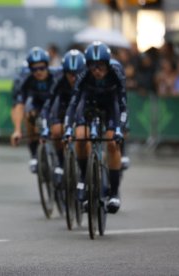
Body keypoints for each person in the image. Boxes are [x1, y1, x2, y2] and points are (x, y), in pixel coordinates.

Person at [63, 41, 127, 214]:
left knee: (113, 144)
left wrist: (120, 128)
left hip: (110, 106)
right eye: (93, 66)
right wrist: (68, 128)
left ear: (107, 64)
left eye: (101, 66)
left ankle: (113, 193)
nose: (97, 71)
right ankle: (84, 177)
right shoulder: (83, 75)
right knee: (81, 136)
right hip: (88, 104)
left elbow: (122, 105)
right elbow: (74, 103)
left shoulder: (116, 74)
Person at [10, 46, 61, 173]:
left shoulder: (57, 75)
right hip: (37, 104)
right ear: (30, 69)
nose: (38, 72)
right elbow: (19, 105)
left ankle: (62, 160)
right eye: (34, 69)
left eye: (42, 68)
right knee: (29, 114)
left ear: (48, 66)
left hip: (55, 104)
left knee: (57, 131)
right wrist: (17, 130)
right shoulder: (26, 79)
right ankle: (34, 154)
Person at [40, 49, 86, 182]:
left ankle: (86, 170)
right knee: (56, 131)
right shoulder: (58, 78)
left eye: (77, 74)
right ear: (64, 72)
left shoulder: (87, 78)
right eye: (70, 74)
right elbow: (48, 105)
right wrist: (44, 126)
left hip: (84, 105)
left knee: (83, 136)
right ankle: (61, 162)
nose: (73, 78)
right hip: (64, 105)